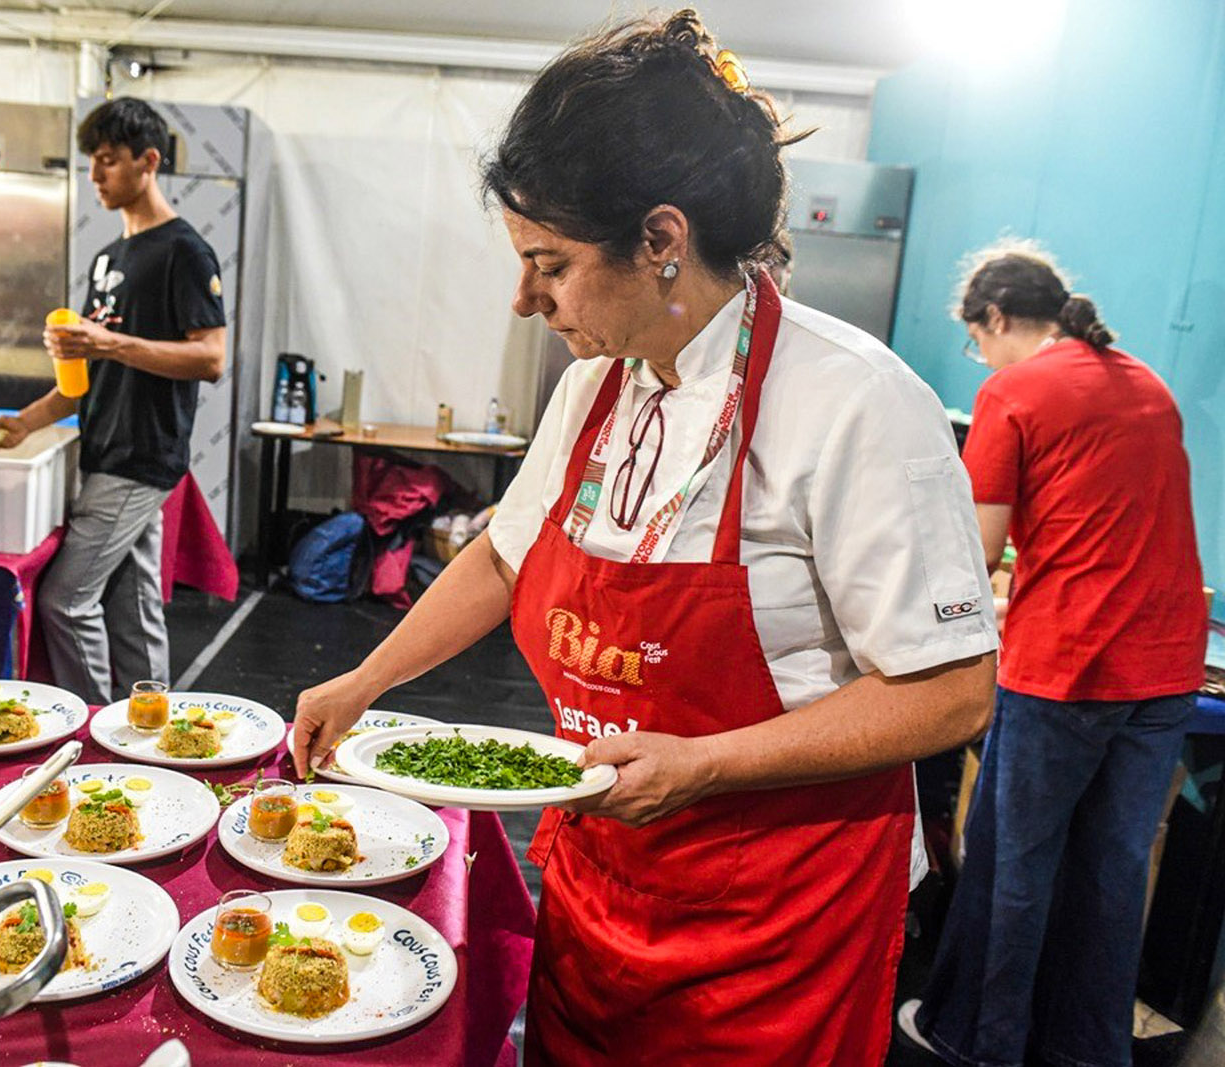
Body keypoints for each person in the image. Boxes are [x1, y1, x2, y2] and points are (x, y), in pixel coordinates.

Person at [290, 10, 998, 1064]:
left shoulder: (851, 402)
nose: (525, 299)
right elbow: (499, 557)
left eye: (549, 264)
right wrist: (365, 680)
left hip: (777, 921)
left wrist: (706, 763)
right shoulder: (593, 389)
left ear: (661, 241)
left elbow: (951, 689)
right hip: (604, 876)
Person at [899, 243, 1206, 1067]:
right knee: (1111, 873)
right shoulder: (1146, 381)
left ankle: (978, 1038)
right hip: (1170, 666)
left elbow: (975, 554)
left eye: (976, 339)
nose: (980, 357)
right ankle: (1087, 1049)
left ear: (995, 319)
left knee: (1014, 864)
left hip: (1070, 666)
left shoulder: (1013, 389)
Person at [0, 97, 226, 704]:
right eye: (91, 162)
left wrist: (110, 342)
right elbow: (88, 375)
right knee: (134, 603)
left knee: (65, 601)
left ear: (149, 162)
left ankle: (92, 728)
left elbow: (211, 358)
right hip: (105, 449)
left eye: (108, 161)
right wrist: (28, 422)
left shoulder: (184, 251)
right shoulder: (107, 259)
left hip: (138, 456)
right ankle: (154, 727)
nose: (95, 175)